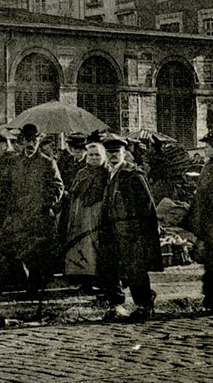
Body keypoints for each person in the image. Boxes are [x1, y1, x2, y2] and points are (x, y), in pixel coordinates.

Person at [0, 124, 64, 296]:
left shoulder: (47, 162)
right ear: (22, 141)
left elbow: (57, 186)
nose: (31, 143)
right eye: (27, 140)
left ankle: (33, 289)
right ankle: (0, 286)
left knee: (36, 255)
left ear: (38, 141)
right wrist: (8, 202)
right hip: (16, 215)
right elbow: (4, 185)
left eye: (34, 140)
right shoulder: (14, 161)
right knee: (7, 250)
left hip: (38, 216)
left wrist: (44, 203)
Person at [97, 135, 161, 320]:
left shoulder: (133, 175)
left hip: (132, 233)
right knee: (110, 269)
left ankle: (144, 305)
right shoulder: (108, 174)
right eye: (109, 152)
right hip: (111, 231)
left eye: (117, 152)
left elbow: (148, 206)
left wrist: (144, 232)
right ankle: (116, 305)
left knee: (136, 270)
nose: (113, 156)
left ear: (124, 153)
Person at [184, 130, 213, 314]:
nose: (204, 150)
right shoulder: (210, 165)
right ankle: (210, 298)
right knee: (212, 261)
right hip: (210, 221)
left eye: (207, 147)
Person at [60, 141, 108, 290]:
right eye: (91, 155)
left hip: (100, 214)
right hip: (82, 214)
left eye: (97, 155)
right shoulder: (82, 172)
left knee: (98, 247)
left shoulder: (108, 173)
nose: (94, 158)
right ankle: (85, 280)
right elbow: (75, 191)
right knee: (83, 248)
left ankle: (101, 280)